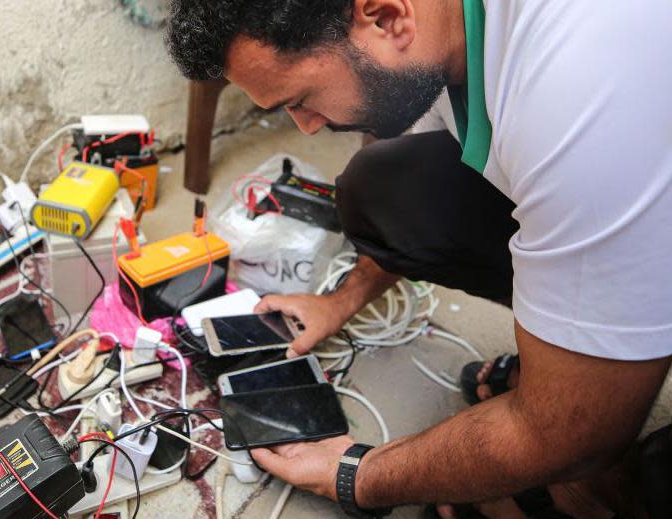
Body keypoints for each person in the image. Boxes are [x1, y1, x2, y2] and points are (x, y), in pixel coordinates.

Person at [166, 0, 672, 517]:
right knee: (380, 188)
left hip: (618, 158)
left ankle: (587, 475)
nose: (309, 127)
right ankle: (572, 363)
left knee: (634, 470)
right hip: (612, 178)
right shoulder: (438, 28)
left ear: (386, 18)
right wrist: (342, 302)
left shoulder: (578, 88)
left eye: (301, 99)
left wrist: (358, 475)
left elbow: (572, 436)